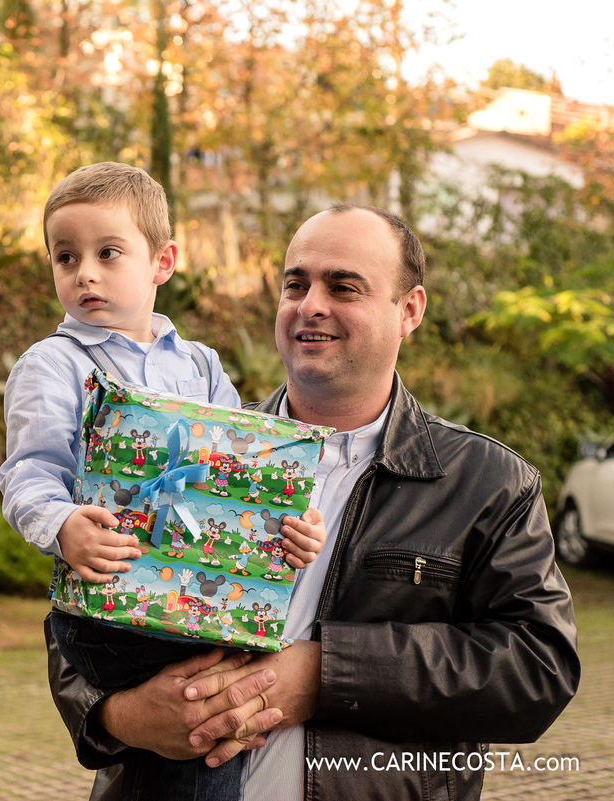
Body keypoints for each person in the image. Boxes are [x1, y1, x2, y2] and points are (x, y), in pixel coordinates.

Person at [45, 203, 581, 801]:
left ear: (410, 311)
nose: (311, 304)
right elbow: (77, 616)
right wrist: (120, 716)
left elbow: (539, 666)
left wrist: (327, 674)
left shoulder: (487, 483)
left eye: (343, 286)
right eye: (295, 284)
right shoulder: (181, 443)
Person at [0, 162, 326, 801]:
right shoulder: (55, 364)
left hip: (204, 605)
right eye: (65, 257)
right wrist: (63, 526)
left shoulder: (200, 364)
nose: (84, 272)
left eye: (108, 252)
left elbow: (251, 470)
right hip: (113, 613)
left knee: (207, 747)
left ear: (163, 261)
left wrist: (295, 525)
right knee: (191, 744)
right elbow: (29, 472)